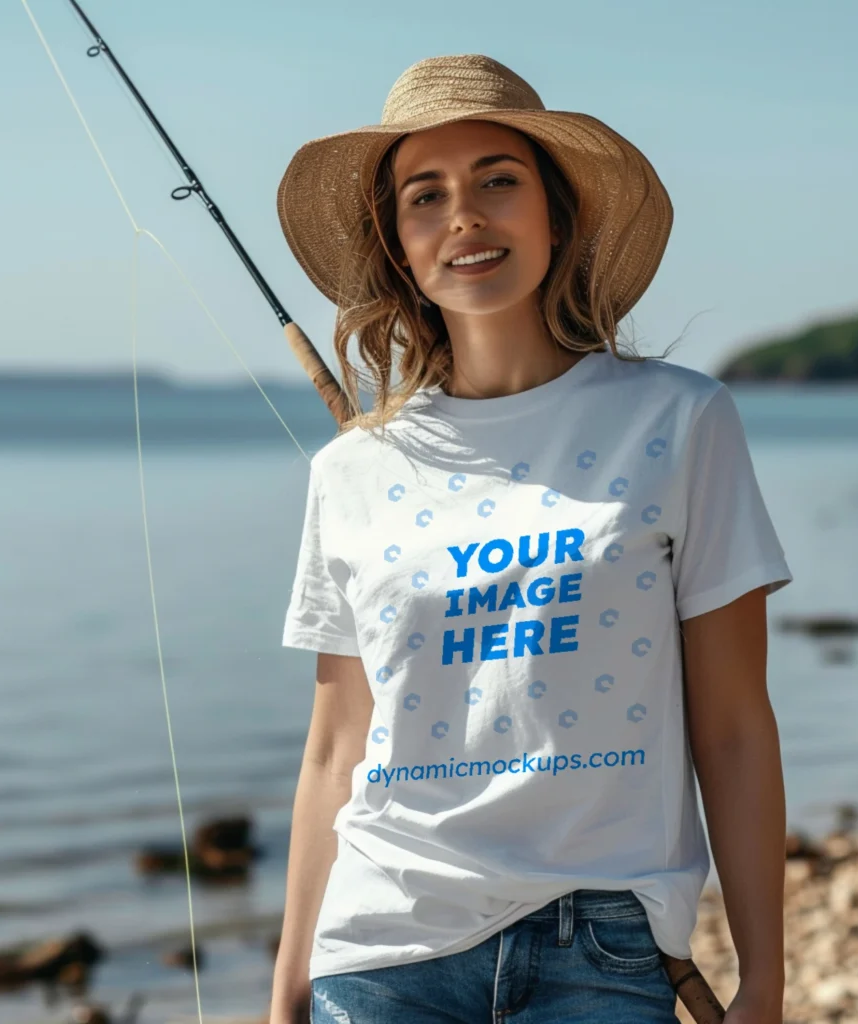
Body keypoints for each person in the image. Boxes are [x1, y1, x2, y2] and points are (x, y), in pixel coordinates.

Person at [270, 54, 792, 1024]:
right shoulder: (349, 471)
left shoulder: (678, 422)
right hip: (382, 942)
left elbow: (731, 723)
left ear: (556, 212)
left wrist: (762, 976)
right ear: (398, 244)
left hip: (600, 941)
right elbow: (334, 749)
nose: (463, 216)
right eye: (426, 196)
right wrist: (286, 990)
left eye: (496, 181)